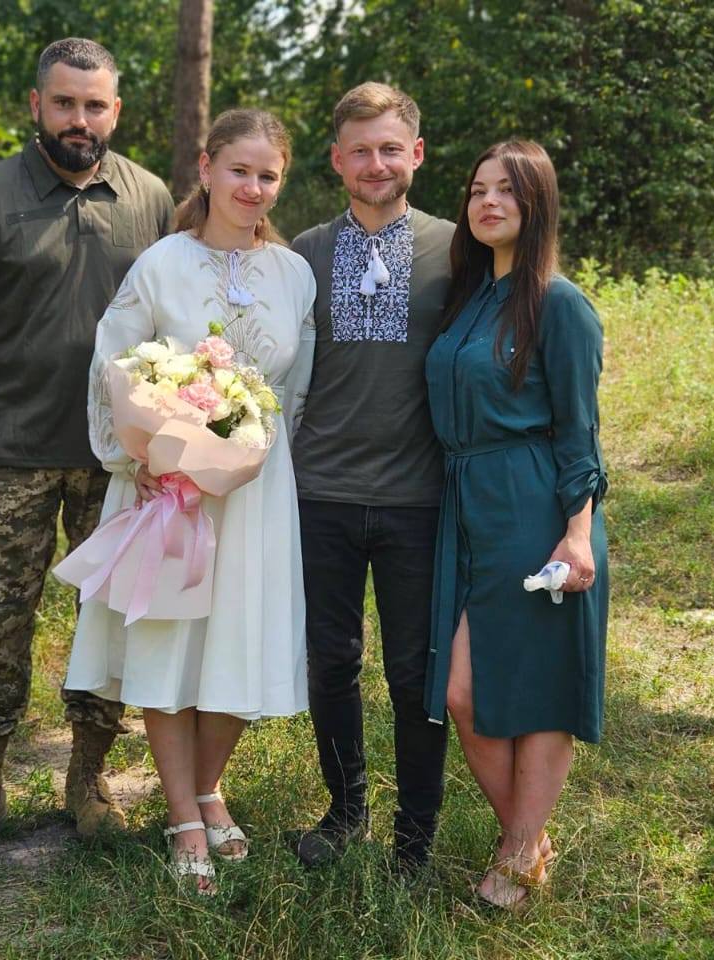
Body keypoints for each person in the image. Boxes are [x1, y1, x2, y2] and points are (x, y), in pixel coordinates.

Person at [0, 37, 174, 863]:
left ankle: (88, 780)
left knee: (112, 626)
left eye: (94, 105)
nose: (80, 119)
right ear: (37, 105)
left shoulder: (149, 198)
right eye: (64, 103)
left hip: (120, 465)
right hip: (8, 459)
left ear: (116, 111)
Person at [64, 108, 316, 893]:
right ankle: (181, 815)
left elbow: (294, 391)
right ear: (205, 170)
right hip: (166, 487)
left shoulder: (294, 274)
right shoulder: (162, 264)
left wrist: (250, 457)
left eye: (268, 175)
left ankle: (210, 785)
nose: (253, 187)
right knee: (170, 647)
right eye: (239, 170)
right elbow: (115, 362)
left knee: (241, 640)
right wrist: (133, 456)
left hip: (254, 492)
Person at [424, 140, 609, 909]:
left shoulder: (560, 304)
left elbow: (580, 432)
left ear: (537, 207)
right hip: (465, 505)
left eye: (508, 191)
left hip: (535, 506)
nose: (488, 202)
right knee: (464, 694)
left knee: (538, 689)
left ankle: (518, 853)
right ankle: (528, 841)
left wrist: (574, 532)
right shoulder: (467, 298)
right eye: (477, 190)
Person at [289, 83, 454, 872]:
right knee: (331, 661)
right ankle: (345, 809)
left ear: (416, 154)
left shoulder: (458, 251)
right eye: (361, 150)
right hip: (318, 489)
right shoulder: (304, 253)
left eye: (391, 148)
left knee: (416, 671)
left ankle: (415, 840)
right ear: (336, 162)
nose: (376, 163)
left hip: (417, 498)